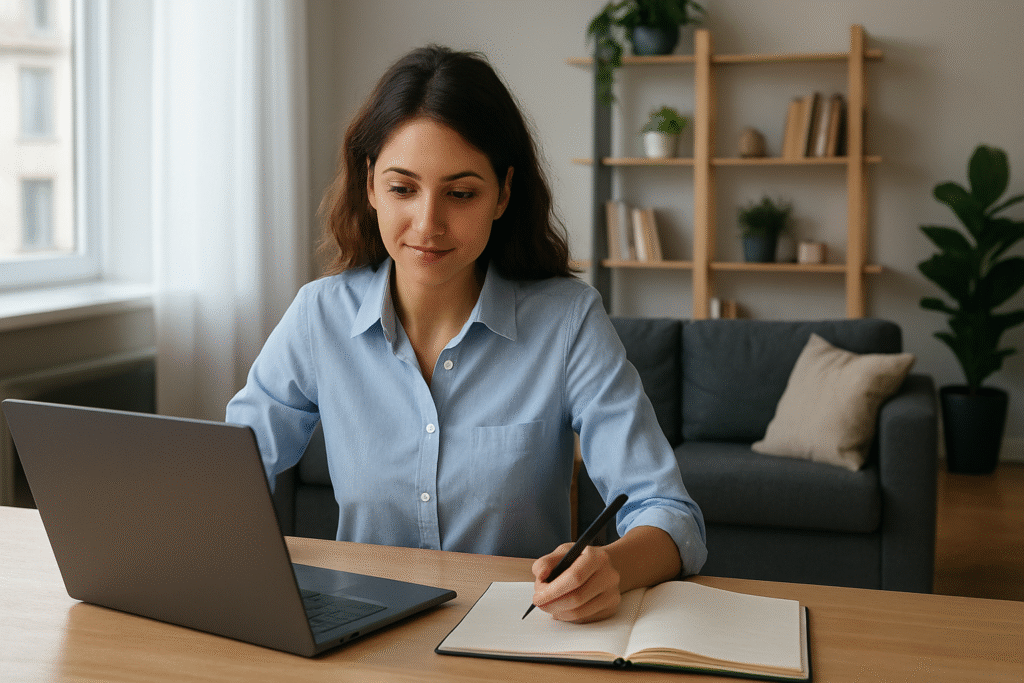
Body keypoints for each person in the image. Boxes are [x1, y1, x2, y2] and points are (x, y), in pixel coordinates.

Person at [227, 45, 706, 624]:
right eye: (403, 189)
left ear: (503, 193)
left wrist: (612, 566)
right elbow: (223, 474)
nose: (428, 225)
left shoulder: (567, 321)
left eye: (461, 194)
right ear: (370, 184)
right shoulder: (318, 316)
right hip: (360, 634)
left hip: (515, 635)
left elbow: (668, 511)